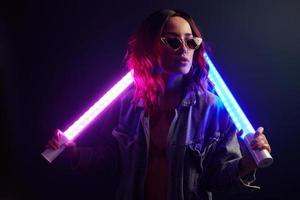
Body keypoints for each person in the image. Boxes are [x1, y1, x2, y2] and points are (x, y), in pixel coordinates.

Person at [46, 9, 271, 200]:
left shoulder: (214, 108)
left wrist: (249, 163)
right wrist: (76, 154)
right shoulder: (129, 102)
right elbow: (115, 161)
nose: (184, 48)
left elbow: (217, 179)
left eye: (190, 41)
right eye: (172, 40)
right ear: (150, 47)